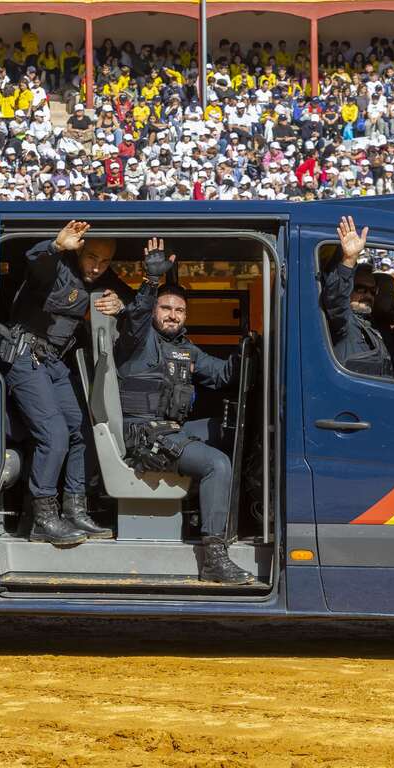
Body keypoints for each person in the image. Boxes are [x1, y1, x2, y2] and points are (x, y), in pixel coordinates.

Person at [115, 237, 254, 586]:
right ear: (155, 311)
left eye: (179, 310)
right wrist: (150, 281)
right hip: (144, 436)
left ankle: (243, 516)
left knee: (240, 431)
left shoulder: (184, 349)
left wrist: (252, 346)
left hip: (172, 429)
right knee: (216, 463)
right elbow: (135, 315)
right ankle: (214, 556)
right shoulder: (138, 338)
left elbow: (223, 374)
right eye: (166, 308)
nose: (172, 315)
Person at [1, 220, 131, 546]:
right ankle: (43, 518)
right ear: (80, 251)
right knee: (54, 434)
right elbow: (36, 261)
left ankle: (75, 509)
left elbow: (129, 294)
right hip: (25, 357)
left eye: (104, 262)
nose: (97, 267)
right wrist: (56, 246)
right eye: (91, 258)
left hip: (54, 363)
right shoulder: (57, 267)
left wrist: (122, 303)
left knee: (83, 431)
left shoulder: (99, 275)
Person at [321, 216, 391, 377]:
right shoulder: (344, 322)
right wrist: (349, 260)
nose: (368, 295)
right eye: (361, 289)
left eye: (372, 291)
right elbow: (337, 299)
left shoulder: (370, 326)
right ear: (349, 288)